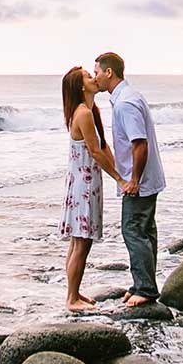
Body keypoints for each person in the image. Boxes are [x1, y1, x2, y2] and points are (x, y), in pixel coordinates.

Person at [93, 51, 166, 306]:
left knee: (133, 231)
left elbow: (139, 144)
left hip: (141, 181)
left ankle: (145, 289)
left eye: (97, 73)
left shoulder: (125, 103)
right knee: (145, 232)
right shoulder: (128, 97)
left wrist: (133, 180)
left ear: (109, 72)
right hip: (147, 178)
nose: (96, 78)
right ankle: (142, 284)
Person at [59, 65, 122, 311]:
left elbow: (103, 147)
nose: (94, 78)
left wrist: (121, 172)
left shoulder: (89, 110)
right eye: (88, 76)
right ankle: (72, 299)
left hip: (83, 183)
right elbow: (95, 152)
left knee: (77, 243)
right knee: (81, 243)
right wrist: (119, 178)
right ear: (80, 86)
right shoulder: (83, 113)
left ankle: (74, 293)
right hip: (83, 185)